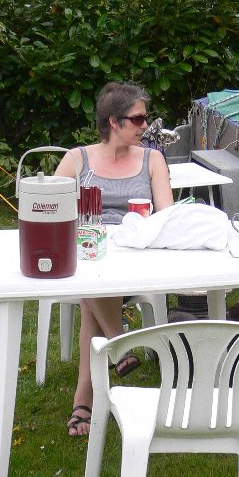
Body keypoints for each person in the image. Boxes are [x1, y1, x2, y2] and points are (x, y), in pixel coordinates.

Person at [55, 82, 174, 436]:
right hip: (88, 255)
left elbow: (167, 216)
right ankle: (117, 343)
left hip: (134, 258)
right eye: (137, 119)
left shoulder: (152, 159)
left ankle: (86, 395)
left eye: (145, 118)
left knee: (91, 288)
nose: (145, 126)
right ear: (113, 121)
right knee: (92, 274)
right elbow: (51, 209)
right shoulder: (78, 159)